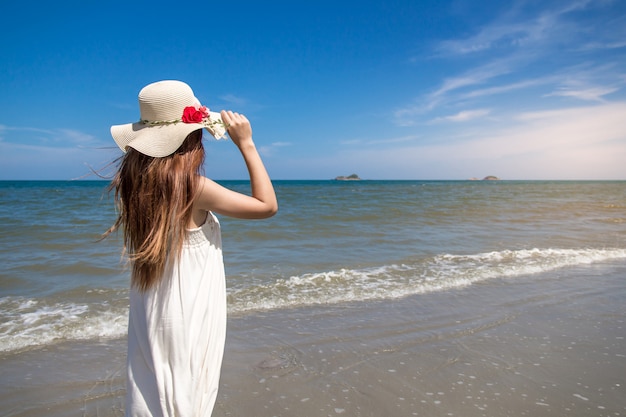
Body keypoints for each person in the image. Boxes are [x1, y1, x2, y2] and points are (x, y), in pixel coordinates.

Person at [106, 80, 278, 417]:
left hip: (153, 305)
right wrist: (247, 145)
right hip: (188, 308)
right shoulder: (192, 187)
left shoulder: (135, 184)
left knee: (152, 391)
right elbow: (266, 205)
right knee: (185, 392)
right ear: (193, 138)